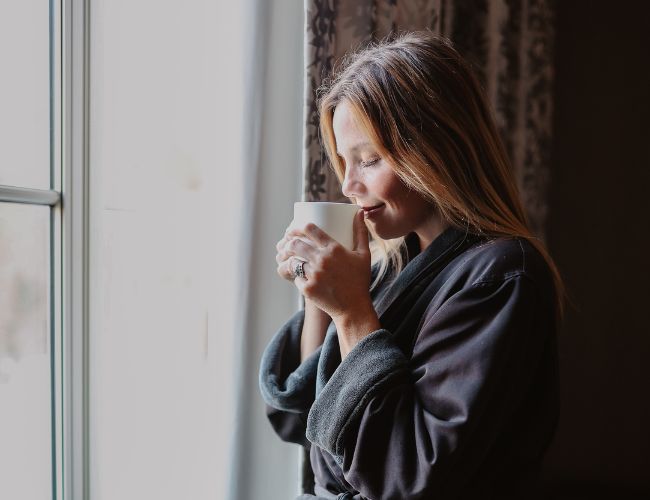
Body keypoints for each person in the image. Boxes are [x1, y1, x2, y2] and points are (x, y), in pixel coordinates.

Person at [259, 31, 565, 500]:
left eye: (369, 159)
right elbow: (304, 422)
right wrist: (320, 297)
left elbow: (412, 473)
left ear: (435, 149)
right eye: (345, 161)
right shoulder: (387, 269)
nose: (349, 185)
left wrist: (352, 312)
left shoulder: (502, 277)